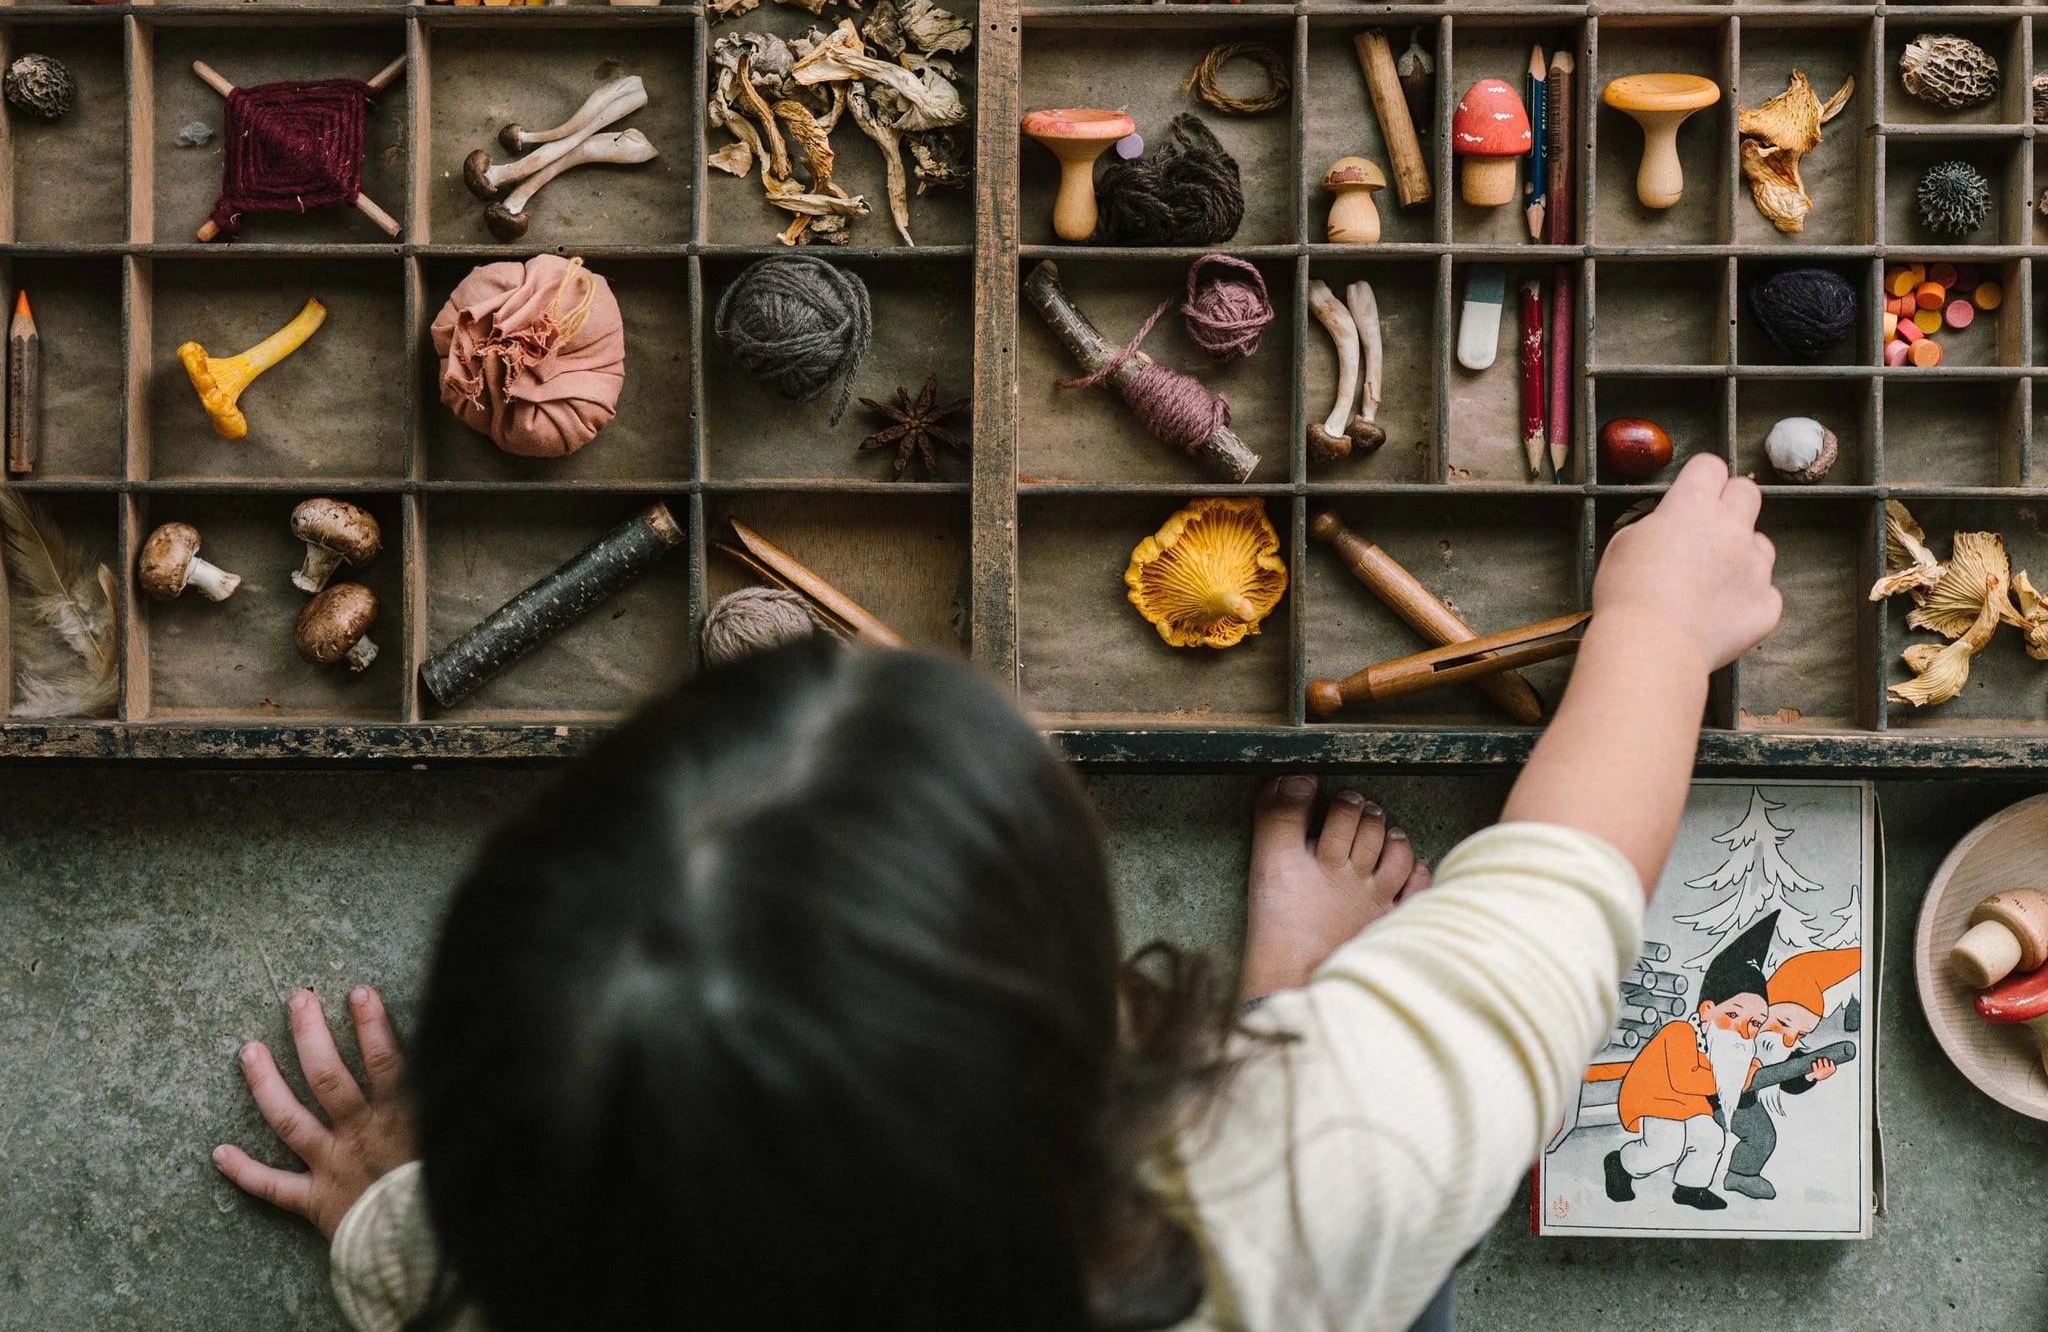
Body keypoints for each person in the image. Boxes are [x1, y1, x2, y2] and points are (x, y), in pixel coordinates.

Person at [211, 455, 1781, 1332]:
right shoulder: (1299, 1171)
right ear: (1080, 1045)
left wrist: (396, 1234)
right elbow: (1564, 902)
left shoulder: (546, 1284)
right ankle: (1284, 1000)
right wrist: (1652, 627)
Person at [1604, 913, 1776, 1212]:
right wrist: (1742, 1076)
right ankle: (1621, 1164)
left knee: (1711, 1139)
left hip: (1690, 1105)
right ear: (1707, 1010)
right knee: (1665, 1147)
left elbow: (1731, 1080)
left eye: (1755, 1024)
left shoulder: (1727, 1048)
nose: (1743, 1029)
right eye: (1734, 1015)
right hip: (1657, 1100)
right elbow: (1687, 1080)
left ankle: (1690, 1188)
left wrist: (1749, 1071)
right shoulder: (1680, 1032)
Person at [1722, 944, 1859, 1201]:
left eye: (1800, 1035)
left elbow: (1787, 1077)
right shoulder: (1733, 1027)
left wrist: (1810, 1075)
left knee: (1762, 1136)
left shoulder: (1785, 1050)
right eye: (1784, 1023)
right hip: (1706, 1097)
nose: (1788, 1040)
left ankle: (1740, 1175)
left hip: (1743, 1104)